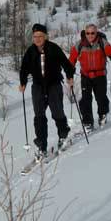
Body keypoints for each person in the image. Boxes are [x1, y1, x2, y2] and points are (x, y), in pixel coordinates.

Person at [19, 23, 75, 157]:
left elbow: (66, 63)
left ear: (45, 36)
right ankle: (41, 145)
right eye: (35, 36)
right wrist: (23, 82)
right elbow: (24, 68)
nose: (37, 39)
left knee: (57, 112)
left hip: (53, 85)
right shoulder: (31, 51)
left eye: (40, 36)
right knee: (39, 116)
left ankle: (63, 136)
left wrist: (69, 76)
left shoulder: (53, 48)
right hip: (38, 86)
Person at [69, 24, 111, 131]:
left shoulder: (101, 42)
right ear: (85, 33)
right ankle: (87, 122)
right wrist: (70, 71)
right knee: (85, 100)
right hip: (85, 76)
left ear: (96, 33)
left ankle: (103, 115)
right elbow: (72, 57)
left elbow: (110, 51)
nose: (90, 35)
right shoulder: (80, 44)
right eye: (88, 33)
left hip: (100, 75)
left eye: (92, 33)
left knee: (101, 98)